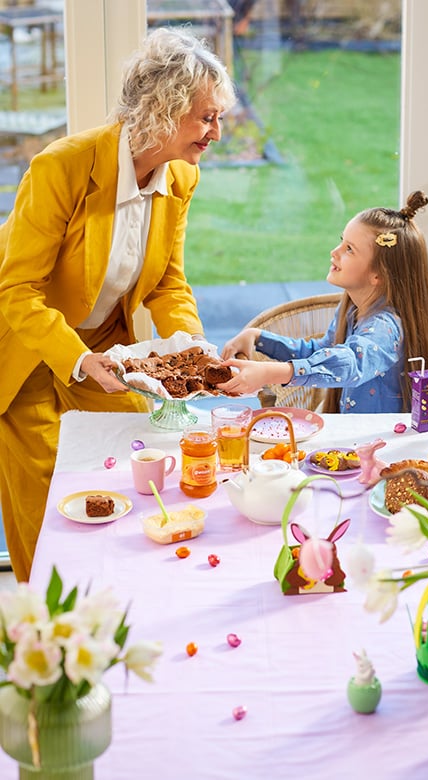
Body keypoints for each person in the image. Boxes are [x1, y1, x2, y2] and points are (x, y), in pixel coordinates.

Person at [0, 27, 236, 582]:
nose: (217, 133)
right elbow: (16, 290)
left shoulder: (181, 175)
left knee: (145, 459)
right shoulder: (61, 168)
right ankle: (54, 627)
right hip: (29, 352)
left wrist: (194, 349)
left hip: (104, 346)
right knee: (45, 500)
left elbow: (167, 283)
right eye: (206, 117)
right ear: (164, 108)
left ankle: (129, 594)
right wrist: (77, 360)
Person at [219, 190, 428, 414]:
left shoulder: (386, 327)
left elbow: (350, 363)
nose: (335, 252)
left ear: (378, 275)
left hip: (383, 446)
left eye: (349, 249)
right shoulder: (353, 310)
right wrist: (258, 337)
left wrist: (272, 372)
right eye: (341, 242)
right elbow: (322, 352)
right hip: (352, 439)